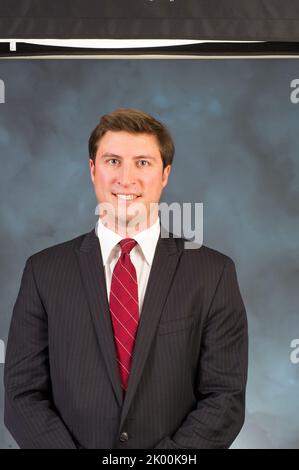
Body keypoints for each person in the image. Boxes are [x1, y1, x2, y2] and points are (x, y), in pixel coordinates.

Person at [4, 108, 248, 449]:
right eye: (113, 161)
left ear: (165, 174)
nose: (126, 178)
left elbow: (224, 398)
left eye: (143, 163)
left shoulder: (213, 273)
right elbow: (22, 396)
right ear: (93, 169)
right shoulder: (43, 272)